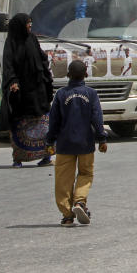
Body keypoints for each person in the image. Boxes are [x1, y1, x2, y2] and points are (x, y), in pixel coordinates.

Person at [46, 60, 108, 226]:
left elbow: (54, 121)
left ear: (68, 75)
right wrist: (102, 138)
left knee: (63, 179)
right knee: (86, 173)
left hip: (64, 145)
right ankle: (80, 202)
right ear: (86, 74)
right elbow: (96, 117)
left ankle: (67, 215)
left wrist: (50, 141)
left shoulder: (60, 94)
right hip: (85, 144)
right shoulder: (91, 93)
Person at [1, 14, 54, 167]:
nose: (30, 26)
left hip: (38, 91)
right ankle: (18, 158)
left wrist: (48, 60)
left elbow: (40, 56)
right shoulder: (11, 43)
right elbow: (8, 65)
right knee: (19, 124)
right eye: (27, 23)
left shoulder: (32, 38)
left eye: (31, 23)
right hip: (21, 93)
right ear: (19, 25)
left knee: (43, 124)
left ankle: (46, 157)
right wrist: (13, 81)